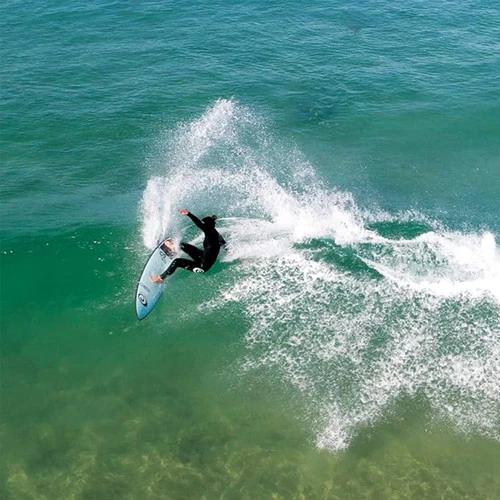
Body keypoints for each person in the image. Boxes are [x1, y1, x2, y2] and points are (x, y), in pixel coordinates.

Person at [150, 209, 226, 282]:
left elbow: (198, 223)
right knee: (182, 245)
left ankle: (160, 279)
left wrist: (188, 214)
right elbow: (223, 243)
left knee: (177, 262)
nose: (202, 224)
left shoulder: (209, 231)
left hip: (202, 266)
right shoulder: (216, 233)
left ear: (206, 225)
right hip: (203, 256)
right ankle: (173, 248)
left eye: (203, 223)